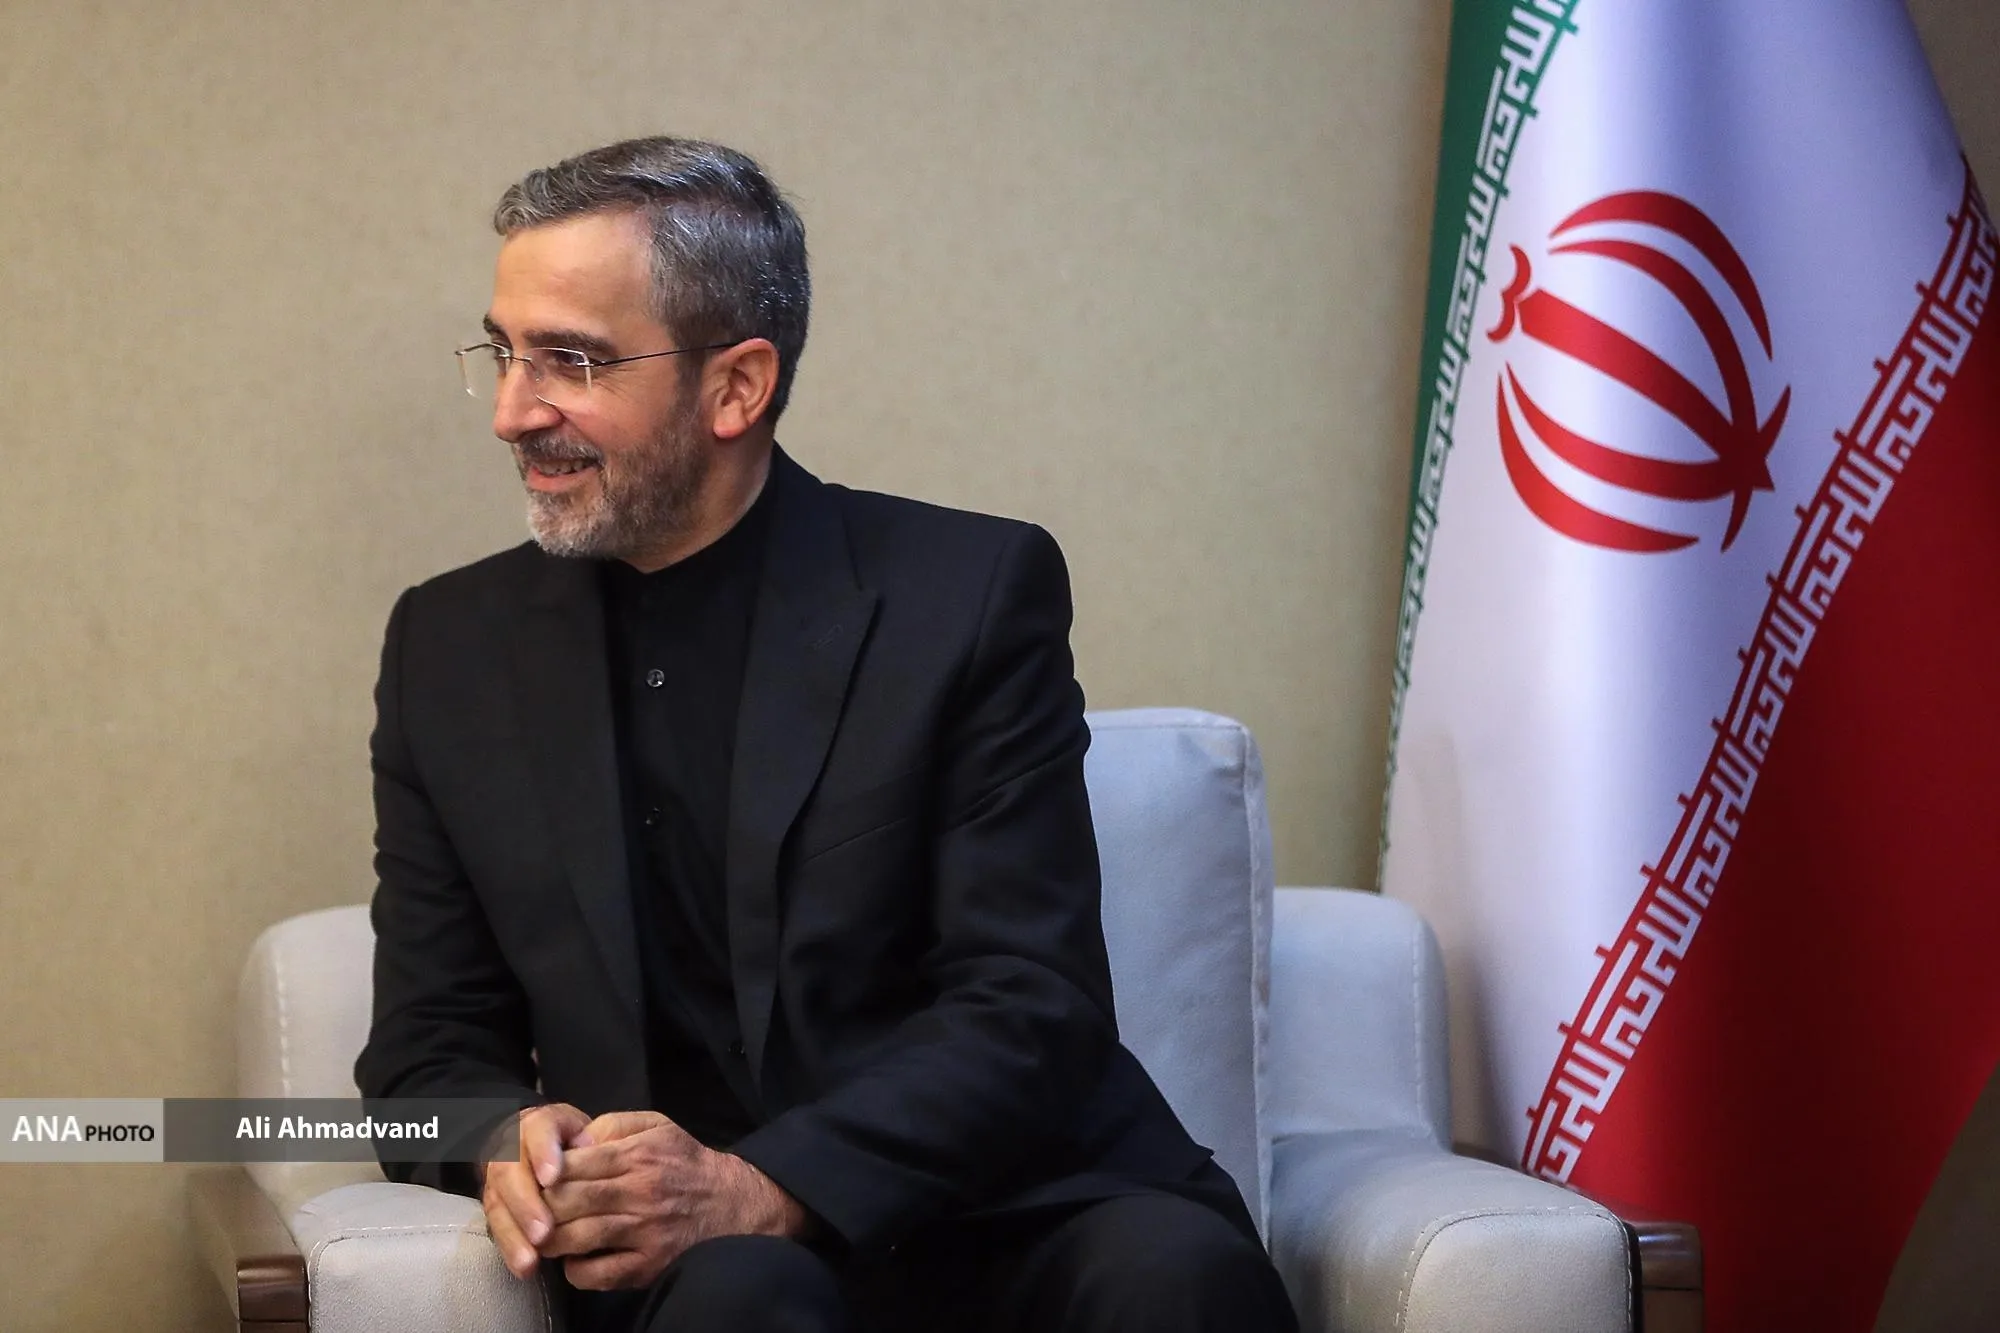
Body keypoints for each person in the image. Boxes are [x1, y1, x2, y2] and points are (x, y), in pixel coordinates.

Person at [354, 135, 1298, 1333]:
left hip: (1004, 1202)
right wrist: (502, 1137)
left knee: (1173, 1275)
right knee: (741, 1297)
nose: (510, 412)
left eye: (570, 361)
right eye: (503, 352)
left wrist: (766, 1184)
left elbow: (1028, 1000)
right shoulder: (449, 650)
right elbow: (425, 1049)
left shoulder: (964, 594)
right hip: (694, 1265)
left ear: (736, 387)